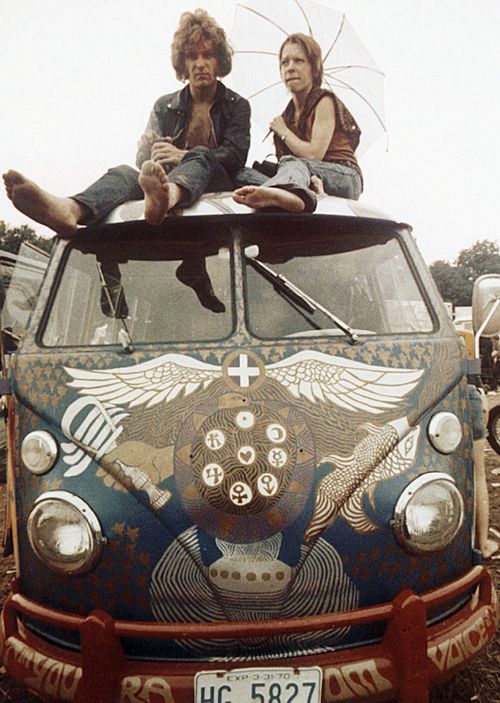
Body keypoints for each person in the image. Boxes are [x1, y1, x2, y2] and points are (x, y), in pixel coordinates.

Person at [3, 9, 250, 234]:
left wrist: (180, 155)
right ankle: (70, 209)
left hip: (217, 184)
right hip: (163, 187)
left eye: (207, 55)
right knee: (124, 173)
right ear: (183, 64)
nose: (200, 64)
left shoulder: (237, 104)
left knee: (201, 156)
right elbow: (146, 168)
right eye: (192, 56)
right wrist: (148, 151)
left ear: (219, 61)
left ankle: (167, 197)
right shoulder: (165, 105)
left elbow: (236, 156)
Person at [233, 33, 363, 213]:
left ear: (314, 69)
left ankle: (290, 193)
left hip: (343, 174)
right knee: (241, 173)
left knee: (293, 163)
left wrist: (284, 132)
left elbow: (313, 155)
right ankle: (303, 192)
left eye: (298, 61)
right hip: (305, 174)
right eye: (285, 62)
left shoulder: (324, 101)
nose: (290, 68)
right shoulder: (288, 115)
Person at [469, 383, 498, 558]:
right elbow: (471, 367)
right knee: (477, 474)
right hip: (466, 392)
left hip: (426, 397)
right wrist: (481, 392)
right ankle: (482, 544)